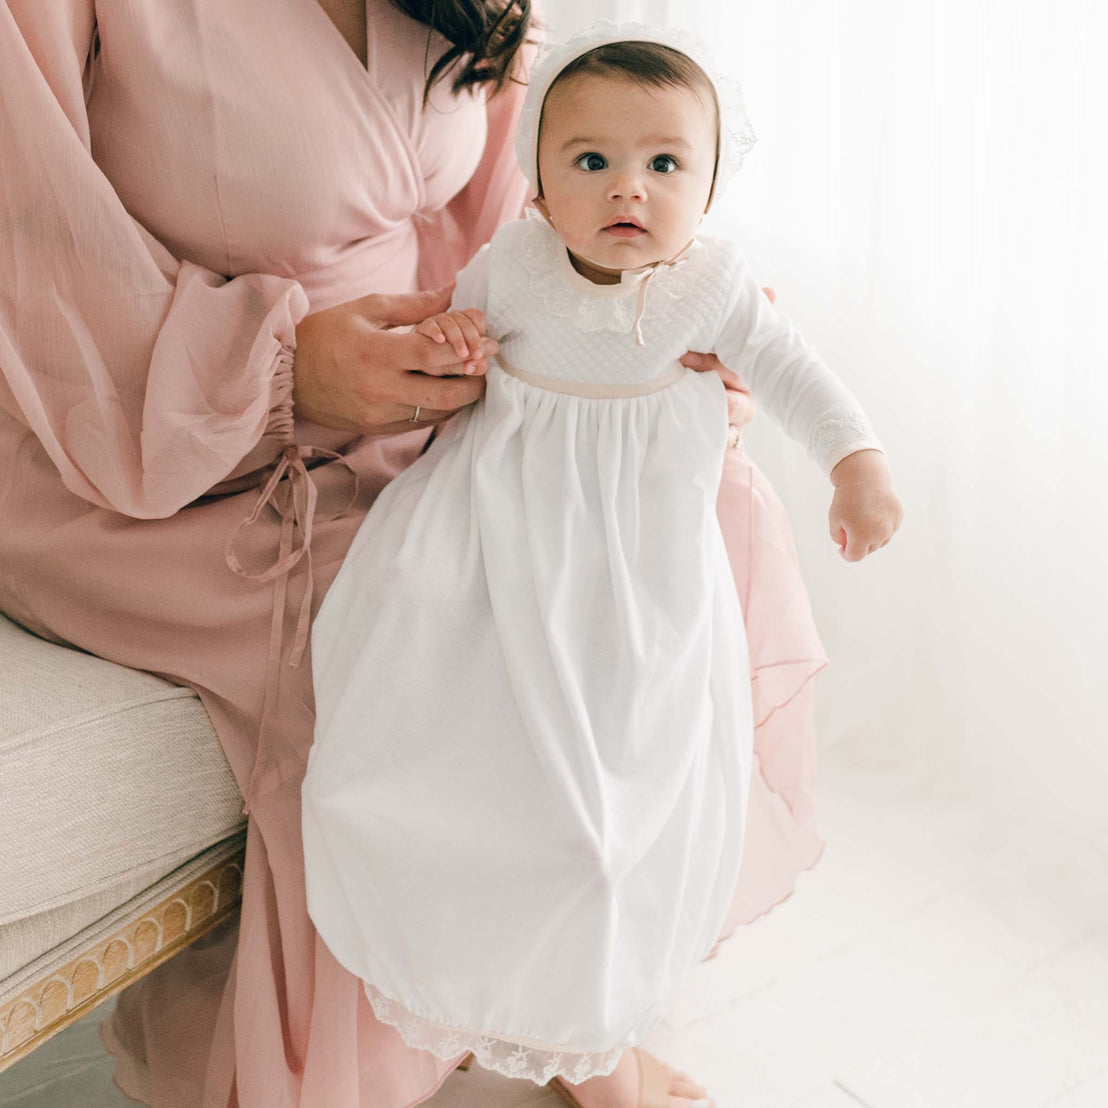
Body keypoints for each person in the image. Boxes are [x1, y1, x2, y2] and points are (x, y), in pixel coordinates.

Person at [0, 2, 887, 1105]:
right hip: (133, 428)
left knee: (674, 530)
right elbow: (32, 246)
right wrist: (279, 371)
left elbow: (514, 212)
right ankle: (532, 1032)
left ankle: (558, 1002)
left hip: (418, 394)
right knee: (421, 632)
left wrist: (626, 325)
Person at [300, 19, 905, 1108]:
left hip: (640, 599)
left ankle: (591, 1031)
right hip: (489, 567)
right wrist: (452, 349)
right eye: (591, 161)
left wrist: (855, 463)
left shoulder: (713, 287)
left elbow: (801, 375)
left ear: (710, 185)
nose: (629, 187)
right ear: (534, 182)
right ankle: (509, 1008)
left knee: (623, 821)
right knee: (484, 790)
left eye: (664, 163)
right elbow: (453, 335)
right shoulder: (513, 270)